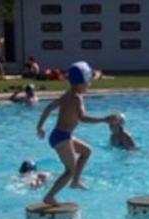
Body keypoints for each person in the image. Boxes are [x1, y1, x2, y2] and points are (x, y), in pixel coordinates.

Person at [35, 61, 118, 205]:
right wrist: (104, 119)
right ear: (82, 82)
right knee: (70, 170)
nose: (89, 85)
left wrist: (40, 126)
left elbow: (49, 107)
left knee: (86, 151)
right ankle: (49, 197)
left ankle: (75, 182)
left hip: (60, 135)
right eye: (88, 82)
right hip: (62, 137)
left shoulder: (67, 94)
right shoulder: (76, 97)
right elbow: (82, 118)